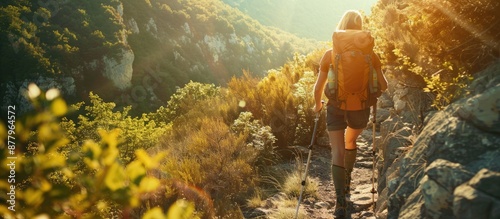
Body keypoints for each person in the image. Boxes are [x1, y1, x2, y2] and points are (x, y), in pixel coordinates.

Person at [313, 10, 388, 218]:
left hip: (336, 106)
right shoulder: (371, 55)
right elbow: (385, 85)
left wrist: (317, 105)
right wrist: (372, 93)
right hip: (361, 108)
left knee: (337, 151)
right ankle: (347, 182)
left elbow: (318, 87)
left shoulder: (330, 54)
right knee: (350, 143)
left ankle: (340, 203)